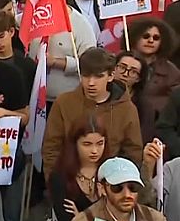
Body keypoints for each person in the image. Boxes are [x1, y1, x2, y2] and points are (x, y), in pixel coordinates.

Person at [43, 48, 144, 183]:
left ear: (111, 76)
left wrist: (119, 186)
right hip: (69, 183)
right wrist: (55, 183)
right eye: (86, 75)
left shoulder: (127, 109)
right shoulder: (64, 103)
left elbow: (133, 152)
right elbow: (52, 147)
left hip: (110, 186)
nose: (91, 82)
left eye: (98, 76)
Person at [127, 17, 180, 114]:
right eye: (146, 36)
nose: (151, 41)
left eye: (156, 38)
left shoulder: (171, 71)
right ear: (135, 37)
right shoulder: (119, 63)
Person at [114, 51, 155, 143]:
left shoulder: (144, 107)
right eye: (122, 67)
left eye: (133, 71)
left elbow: (143, 137)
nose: (125, 74)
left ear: (138, 78)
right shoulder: (99, 95)